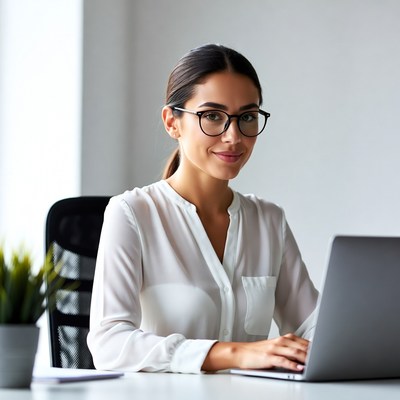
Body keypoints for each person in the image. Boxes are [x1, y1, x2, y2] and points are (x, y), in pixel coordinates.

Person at [87, 44, 319, 374]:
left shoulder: (269, 221)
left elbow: (314, 326)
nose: (234, 136)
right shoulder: (131, 214)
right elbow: (109, 343)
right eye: (213, 116)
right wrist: (234, 354)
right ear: (172, 122)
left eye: (247, 117)